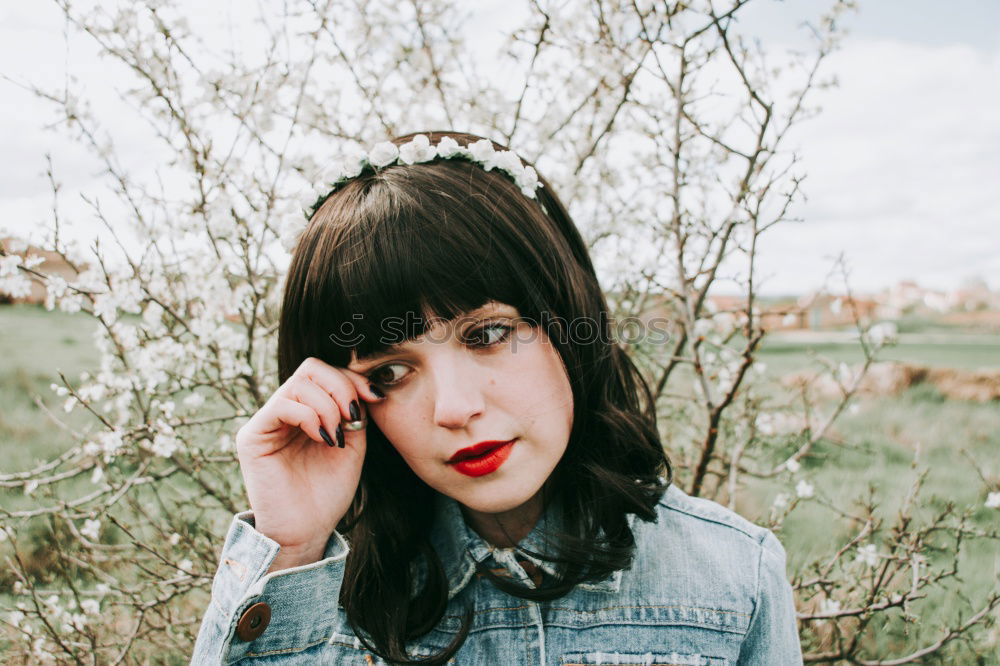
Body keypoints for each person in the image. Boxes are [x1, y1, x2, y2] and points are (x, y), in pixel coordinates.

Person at [191, 131, 802, 665]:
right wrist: (291, 552)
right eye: (391, 373)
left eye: (487, 335)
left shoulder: (732, 575)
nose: (454, 409)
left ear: (567, 321)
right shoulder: (322, 597)